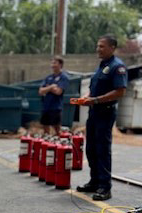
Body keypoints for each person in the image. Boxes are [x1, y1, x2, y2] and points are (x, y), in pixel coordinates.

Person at [76, 35, 127, 201]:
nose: (98, 49)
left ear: (112, 47)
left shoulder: (117, 67)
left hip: (105, 113)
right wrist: (87, 96)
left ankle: (105, 188)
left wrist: (96, 100)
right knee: (91, 148)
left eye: (102, 46)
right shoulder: (102, 66)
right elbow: (96, 89)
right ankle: (95, 181)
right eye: (97, 46)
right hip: (94, 112)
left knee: (102, 149)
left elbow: (120, 91)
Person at [38, 56, 69, 135]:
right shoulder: (48, 77)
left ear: (60, 65)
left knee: (57, 129)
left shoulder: (63, 77)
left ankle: (59, 144)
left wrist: (47, 89)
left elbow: (58, 91)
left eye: (55, 63)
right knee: (45, 127)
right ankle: (47, 143)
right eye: (52, 63)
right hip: (46, 106)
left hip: (56, 107)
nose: (53, 65)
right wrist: (51, 87)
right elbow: (41, 91)